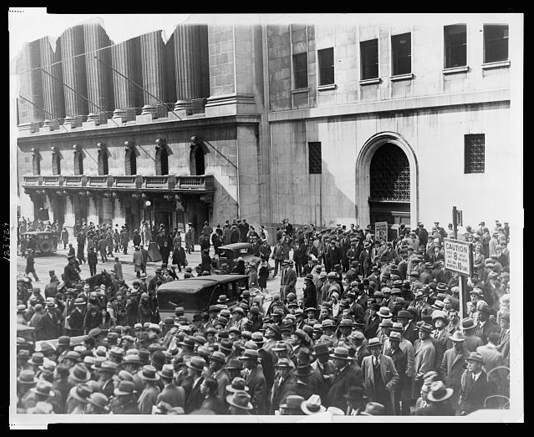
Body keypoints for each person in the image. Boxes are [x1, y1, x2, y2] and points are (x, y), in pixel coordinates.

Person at [361, 338, 399, 415]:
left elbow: (395, 376)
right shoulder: (366, 360)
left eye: (376, 349)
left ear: (380, 349)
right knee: (373, 412)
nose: (374, 351)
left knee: (386, 412)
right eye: (372, 349)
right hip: (372, 393)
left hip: (385, 393)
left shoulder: (388, 360)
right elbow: (362, 377)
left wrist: (389, 385)